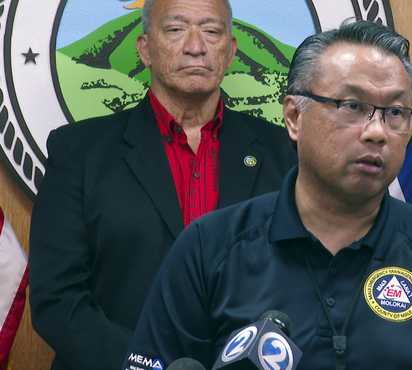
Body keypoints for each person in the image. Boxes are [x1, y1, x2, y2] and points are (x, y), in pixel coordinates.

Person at [121, 20, 412, 370]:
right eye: (352, 106)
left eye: (395, 112)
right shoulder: (210, 249)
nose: (376, 131)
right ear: (295, 117)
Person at [29, 0, 296, 369]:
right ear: (144, 49)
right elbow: (56, 300)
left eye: (211, 31)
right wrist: (148, 364)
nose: (195, 45)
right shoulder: (78, 153)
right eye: (175, 29)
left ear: (231, 50)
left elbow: (303, 280)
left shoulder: (285, 154)